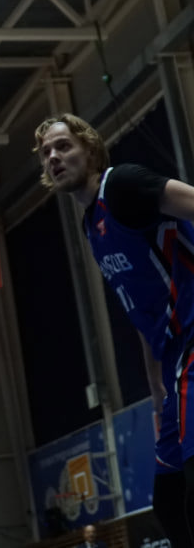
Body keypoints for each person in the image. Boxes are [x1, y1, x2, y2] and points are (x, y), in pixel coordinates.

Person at [36, 113, 194, 548]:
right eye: (46, 153)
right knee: (169, 501)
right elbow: (140, 309)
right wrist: (156, 388)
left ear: (89, 149)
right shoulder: (92, 225)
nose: (53, 157)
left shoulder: (123, 185)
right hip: (172, 359)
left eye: (63, 146)